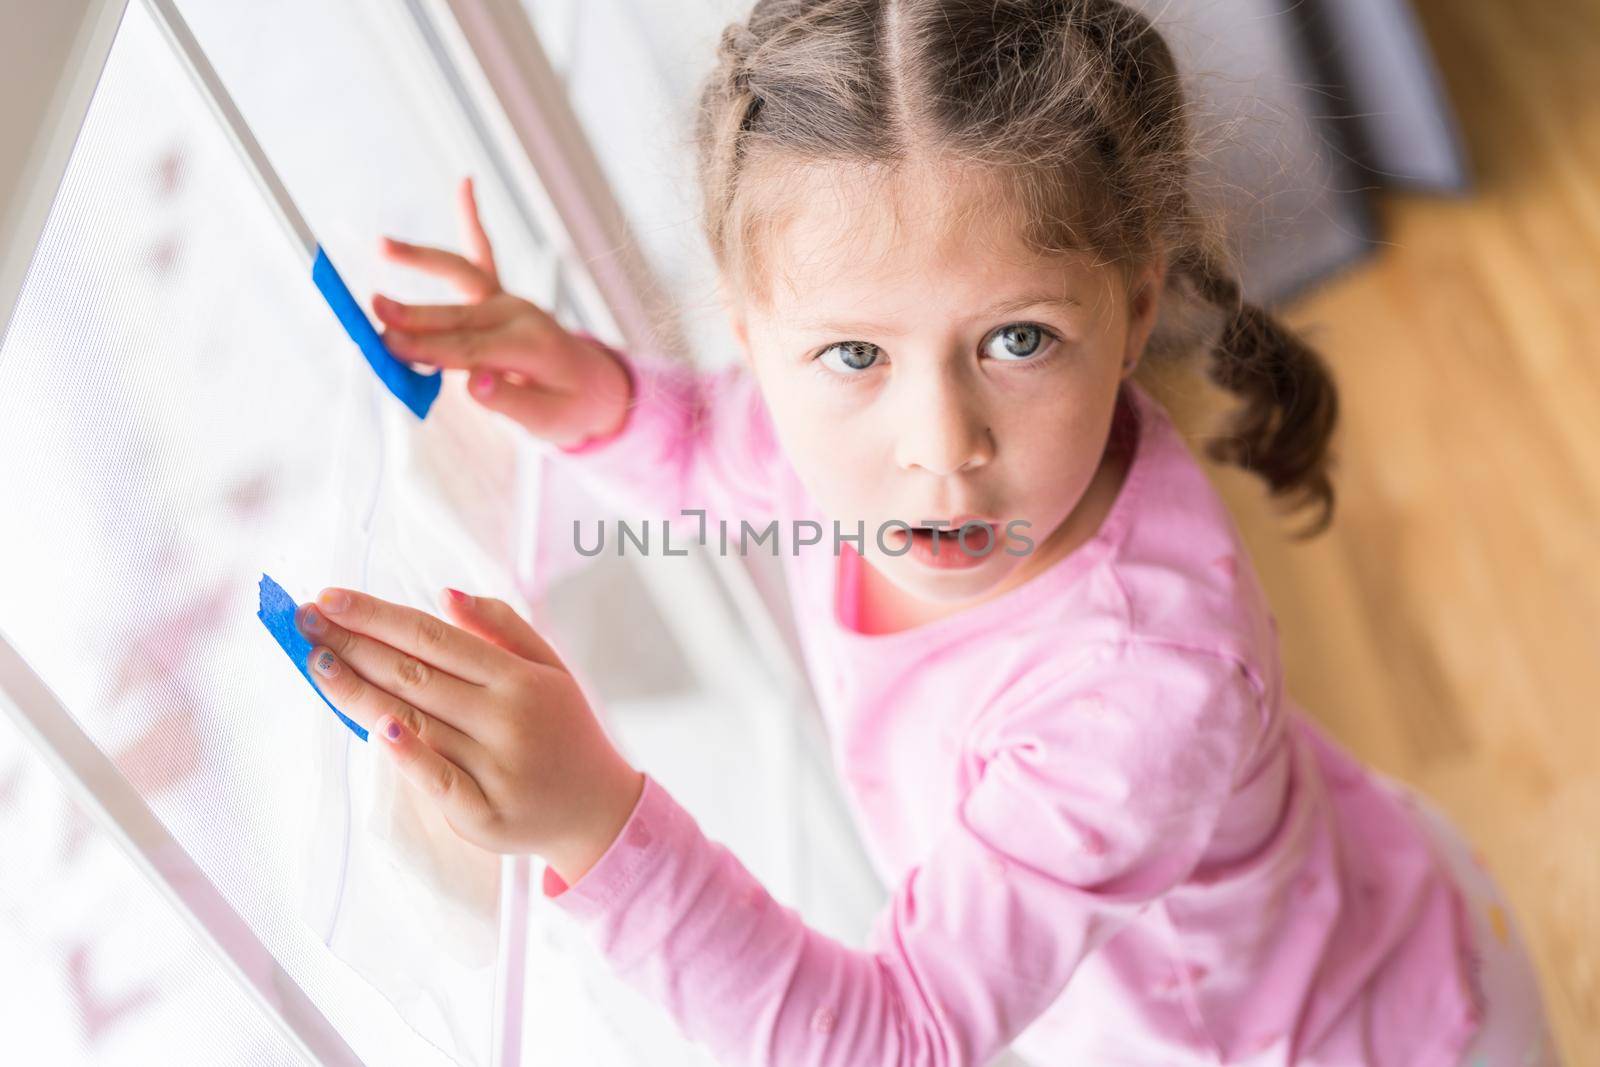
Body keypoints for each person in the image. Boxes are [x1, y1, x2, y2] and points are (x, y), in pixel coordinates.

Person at [295, 1, 1560, 1062]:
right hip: (1281, 927)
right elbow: (712, 456)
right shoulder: (847, 451)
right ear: (749, 333)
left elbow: (895, 1035)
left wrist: (594, 823)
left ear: (1134, 307)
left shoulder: (1139, 692)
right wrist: (592, 394)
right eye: (851, 353)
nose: (939, 442)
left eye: (1017, 340)